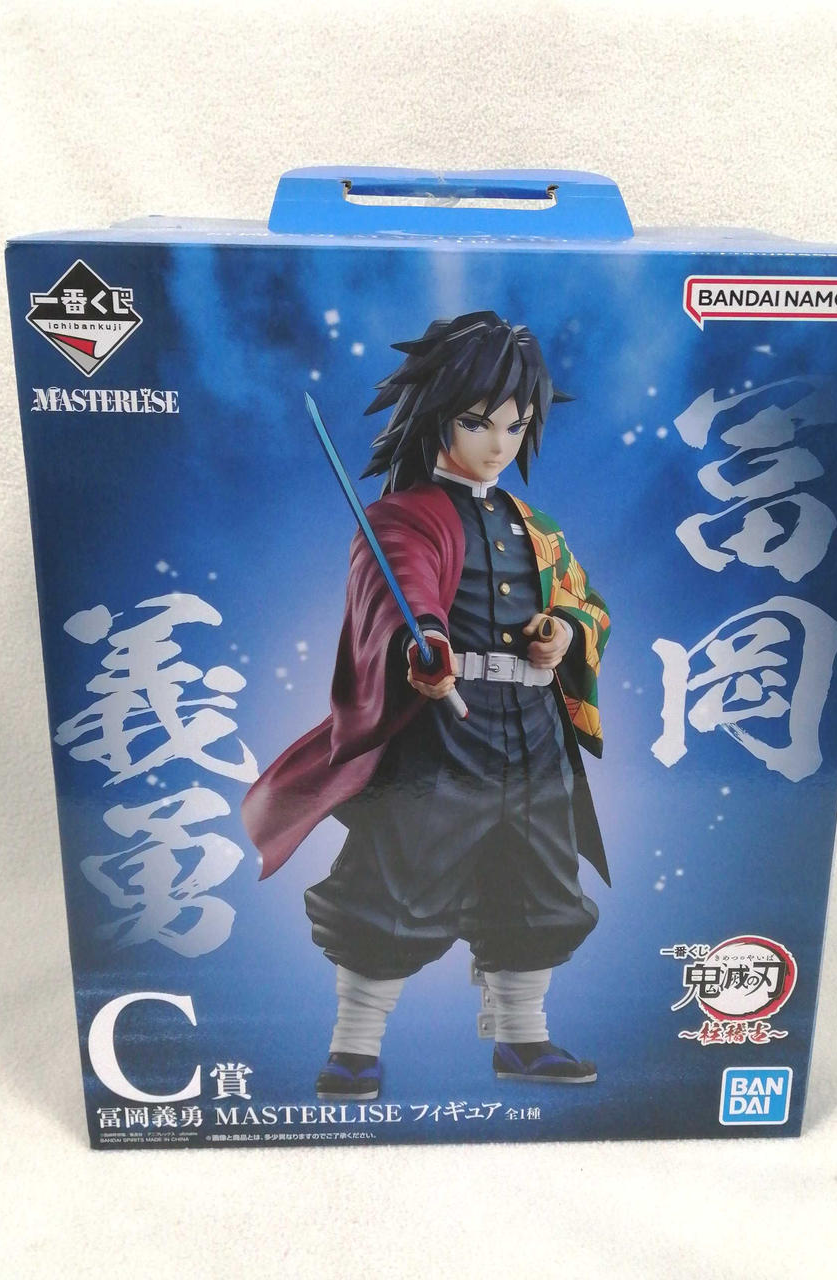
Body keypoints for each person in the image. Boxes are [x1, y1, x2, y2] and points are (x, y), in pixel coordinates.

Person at [242, 312, 611, 1100]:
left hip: (534, 732)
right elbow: (398, 590)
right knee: (394, 883)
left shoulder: (538, 529)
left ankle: (523, 1038)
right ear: (438, 414)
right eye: (478, 422)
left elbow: (585, 605)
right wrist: (427, 647)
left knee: (541, 883)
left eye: (515, 425)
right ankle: (354, 1047)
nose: (499, 443)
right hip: (442, 731)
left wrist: (561, 633)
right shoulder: (404, 515)